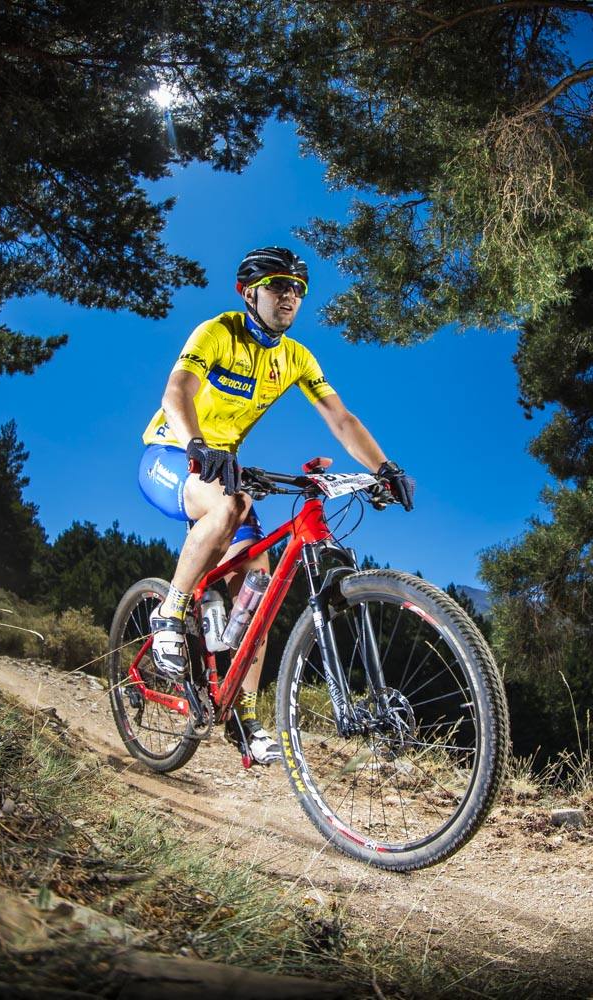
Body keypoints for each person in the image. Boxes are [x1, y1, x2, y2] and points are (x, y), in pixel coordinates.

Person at [138, 246, 414, 765]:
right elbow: (177, 391)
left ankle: (243, 717)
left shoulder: (296, 358)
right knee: (229, 507)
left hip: (225, 470)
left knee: (257, 590)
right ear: (248, 293)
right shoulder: (219, 332)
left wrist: (385, 468)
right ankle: (169, 613)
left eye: (298, 289)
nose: (290, 296)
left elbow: (341, 419)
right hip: (171, 453)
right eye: (278, 286)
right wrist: (196, 444)